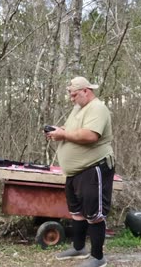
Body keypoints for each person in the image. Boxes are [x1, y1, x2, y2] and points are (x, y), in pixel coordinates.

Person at [46, 76, 114, 267]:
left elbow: (90, 135)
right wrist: (58, 131)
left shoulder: (97, 108)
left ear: (86, 91)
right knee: (76, 211)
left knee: (94, 213)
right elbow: (71, 130)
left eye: (74, 94)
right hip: (75, 171)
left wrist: (63, 134)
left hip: (94, 167)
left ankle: (98, 257)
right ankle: (78, 248)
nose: (71, 99)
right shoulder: (79, 108)